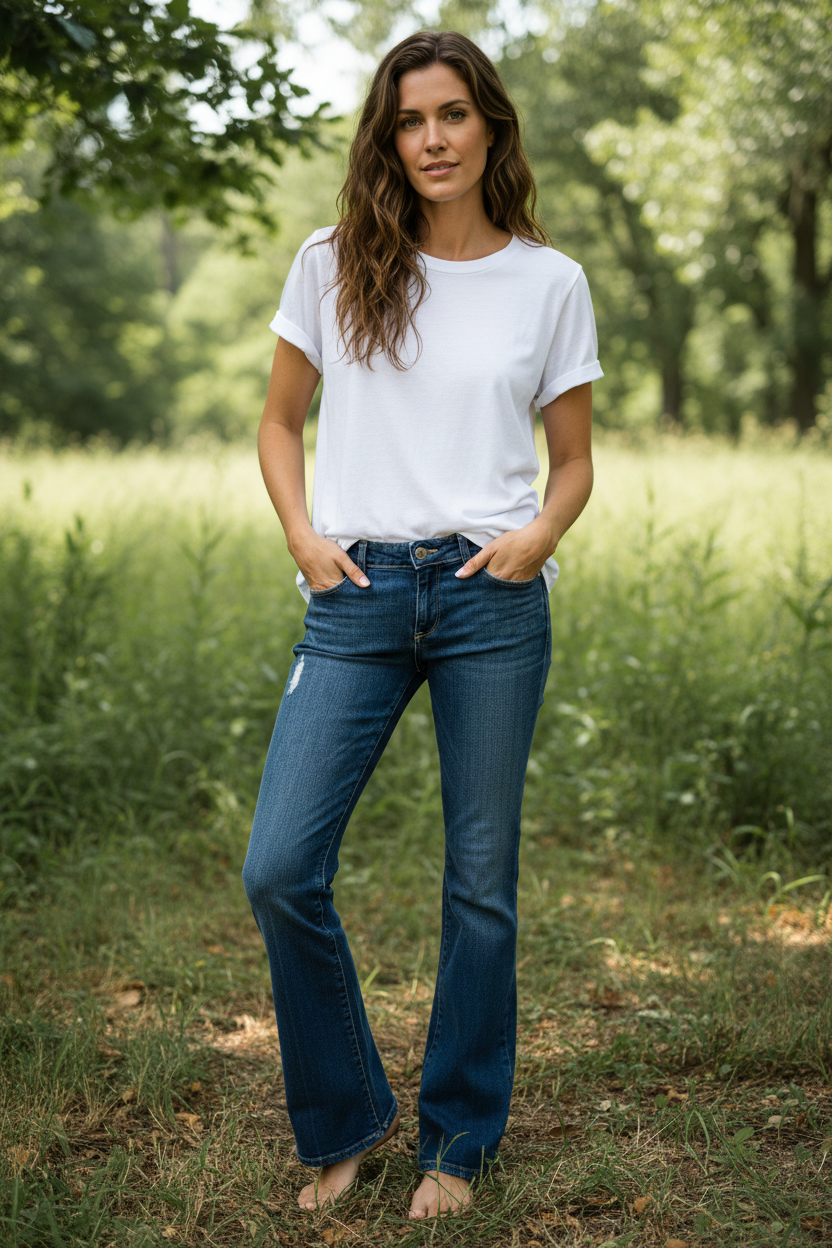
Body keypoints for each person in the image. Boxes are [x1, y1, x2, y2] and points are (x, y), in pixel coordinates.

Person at [242, 28, 602, 1221]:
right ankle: (342, 1122)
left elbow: (574, 464)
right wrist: (303, 536)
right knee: (281, 865)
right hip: (355, 596)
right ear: (386, 136)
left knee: (480, 881)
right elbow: (281, 421)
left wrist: (536, 541)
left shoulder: (547, 282)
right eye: (409, 119)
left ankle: (456, 1140)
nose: (432, 138)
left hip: (490, 600)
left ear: (489, 124)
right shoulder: (334, 260)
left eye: (452, 114)